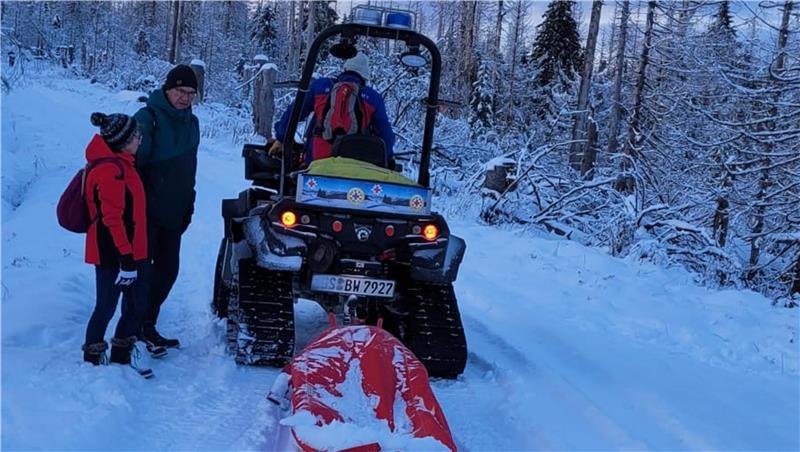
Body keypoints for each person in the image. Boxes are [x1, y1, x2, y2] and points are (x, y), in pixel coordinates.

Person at [133, 64, 200, 352]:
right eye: (180, 91)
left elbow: (190, 166)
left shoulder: (192, 123)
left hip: (175, 210)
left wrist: (189, 201)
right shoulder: (148, 118)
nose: (185, 98)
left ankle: (147, 323)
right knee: (141, 273)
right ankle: (134, 328)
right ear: (167, 89)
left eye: (191, 93)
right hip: (145, 211)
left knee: (168, 271)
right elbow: (132, 164)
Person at [82, 112, 152, 377]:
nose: (140, 139)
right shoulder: (110, 171)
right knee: (106, 306)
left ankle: (121, 359)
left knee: (137, 305)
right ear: (123, 141)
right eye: (136, 135)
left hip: (134, 252)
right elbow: (112, 220)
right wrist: (126, 257)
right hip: (113, 254)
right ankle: (92, 361)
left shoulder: (125, 164)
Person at [271, 52, 395, 166]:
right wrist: (387, 157)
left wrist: (281, 138)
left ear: (345, 69)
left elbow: (293, 113)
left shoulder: (320, 87)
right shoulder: (373, 98)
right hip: (354, 165)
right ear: (365, 76)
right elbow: (386, 134)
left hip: (316, 161)